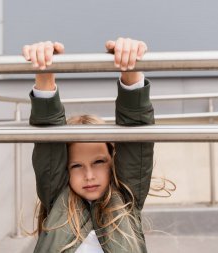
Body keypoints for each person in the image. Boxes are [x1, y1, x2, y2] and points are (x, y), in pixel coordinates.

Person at [23, 37, 154, 253]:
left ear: (113, 160)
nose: (89, 175)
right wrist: (44, 74)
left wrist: (131, 69)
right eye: (76, 166)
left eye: (99, 162)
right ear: (64, 169)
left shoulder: (124, 198)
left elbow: (136, 137)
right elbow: (48, 143)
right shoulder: (59, 201)